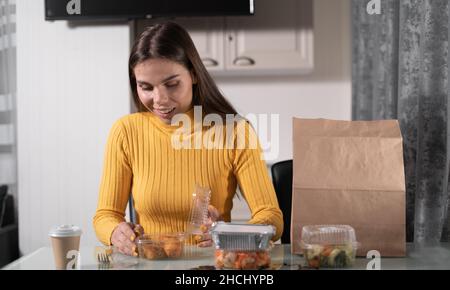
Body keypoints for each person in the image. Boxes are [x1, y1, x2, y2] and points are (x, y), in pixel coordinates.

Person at [93, 22, 283, 256]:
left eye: (172, 84)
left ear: (193, 74)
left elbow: (272, 218)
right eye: (146, 87)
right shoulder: (126, 132)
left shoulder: (236, 132)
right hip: (151, 264)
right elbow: (105, 215)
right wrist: (114, 232)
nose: (159, 99)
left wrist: (227, 235)